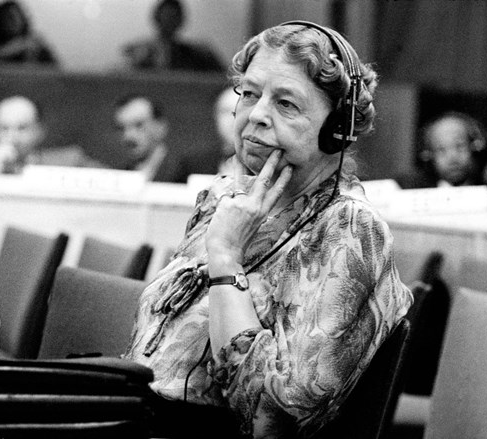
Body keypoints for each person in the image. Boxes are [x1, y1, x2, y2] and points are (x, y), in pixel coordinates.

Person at [123, 21, 412, 438]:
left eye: (286, 104)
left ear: (337, 129)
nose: (255, 116)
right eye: (250, 94)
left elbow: (271, 418)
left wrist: (225, 259)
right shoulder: (225, 198)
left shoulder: (347, 228)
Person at [0, 96, 101, 174]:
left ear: (39, 131)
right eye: (4, 128)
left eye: (22, 128)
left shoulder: (70, 162)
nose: (13, 137)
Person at [123, 0, 224, 72]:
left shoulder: (198, 54)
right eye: (167, 16)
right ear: (157, 18)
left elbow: (222, 78)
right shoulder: (138, 52)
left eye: (174, 16)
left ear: (180, 20)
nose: (169, 21)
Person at [394, 111, 487, 189]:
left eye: (460, 146)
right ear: (428, 154)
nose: (452, 158)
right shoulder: (406, 190)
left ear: (475, 147)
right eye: (441, 150)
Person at [113, 94, 189, 183]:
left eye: (139, 125)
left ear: (161, 127)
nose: (128, 136)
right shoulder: (120, 176)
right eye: (121, 128)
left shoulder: (183, 173)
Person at [0, 0, 58, 66]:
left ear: (23, 19)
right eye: (7, 17)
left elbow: (56, 70)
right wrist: (20, 46)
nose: (12, 22)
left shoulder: (37, 45)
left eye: (16, 17)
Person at [213, 86, 241, 175]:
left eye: (240, 111)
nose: (233, 119)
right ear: (215, 116)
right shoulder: (192, 164)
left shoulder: (268, 165)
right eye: (225, 111)